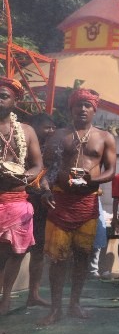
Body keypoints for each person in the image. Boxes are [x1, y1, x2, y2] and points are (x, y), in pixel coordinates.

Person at [38, 88, 116, 325]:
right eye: (78, 105)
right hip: (60, 203)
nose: (82, 109)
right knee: (58, 259)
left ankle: (74, 304)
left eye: (87, 105)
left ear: (94, 109)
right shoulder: (59, 136)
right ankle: (55, 309)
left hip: (87, 203)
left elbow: (111, 171)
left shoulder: (105, 137)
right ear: (70, 109)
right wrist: (45, 190)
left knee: (82, 257)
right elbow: (47, 170)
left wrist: (93, 180)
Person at [0, 77, 43, 315]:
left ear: (16, 100)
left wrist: (23, 177)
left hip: (17, 202)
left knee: (16, 254)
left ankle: (5, 300)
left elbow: (37, 165)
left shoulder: (26, 131)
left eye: (4, 95)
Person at [24, 113, 56, 308]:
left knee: (38, 251)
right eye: (47, 127)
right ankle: (5, 296)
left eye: (53, 127)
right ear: (34, 127)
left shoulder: (52, 149)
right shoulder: (22, 144)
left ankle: (33, 294)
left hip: (42, 202)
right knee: (13, 252)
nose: (51, 131)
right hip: (22, 199)